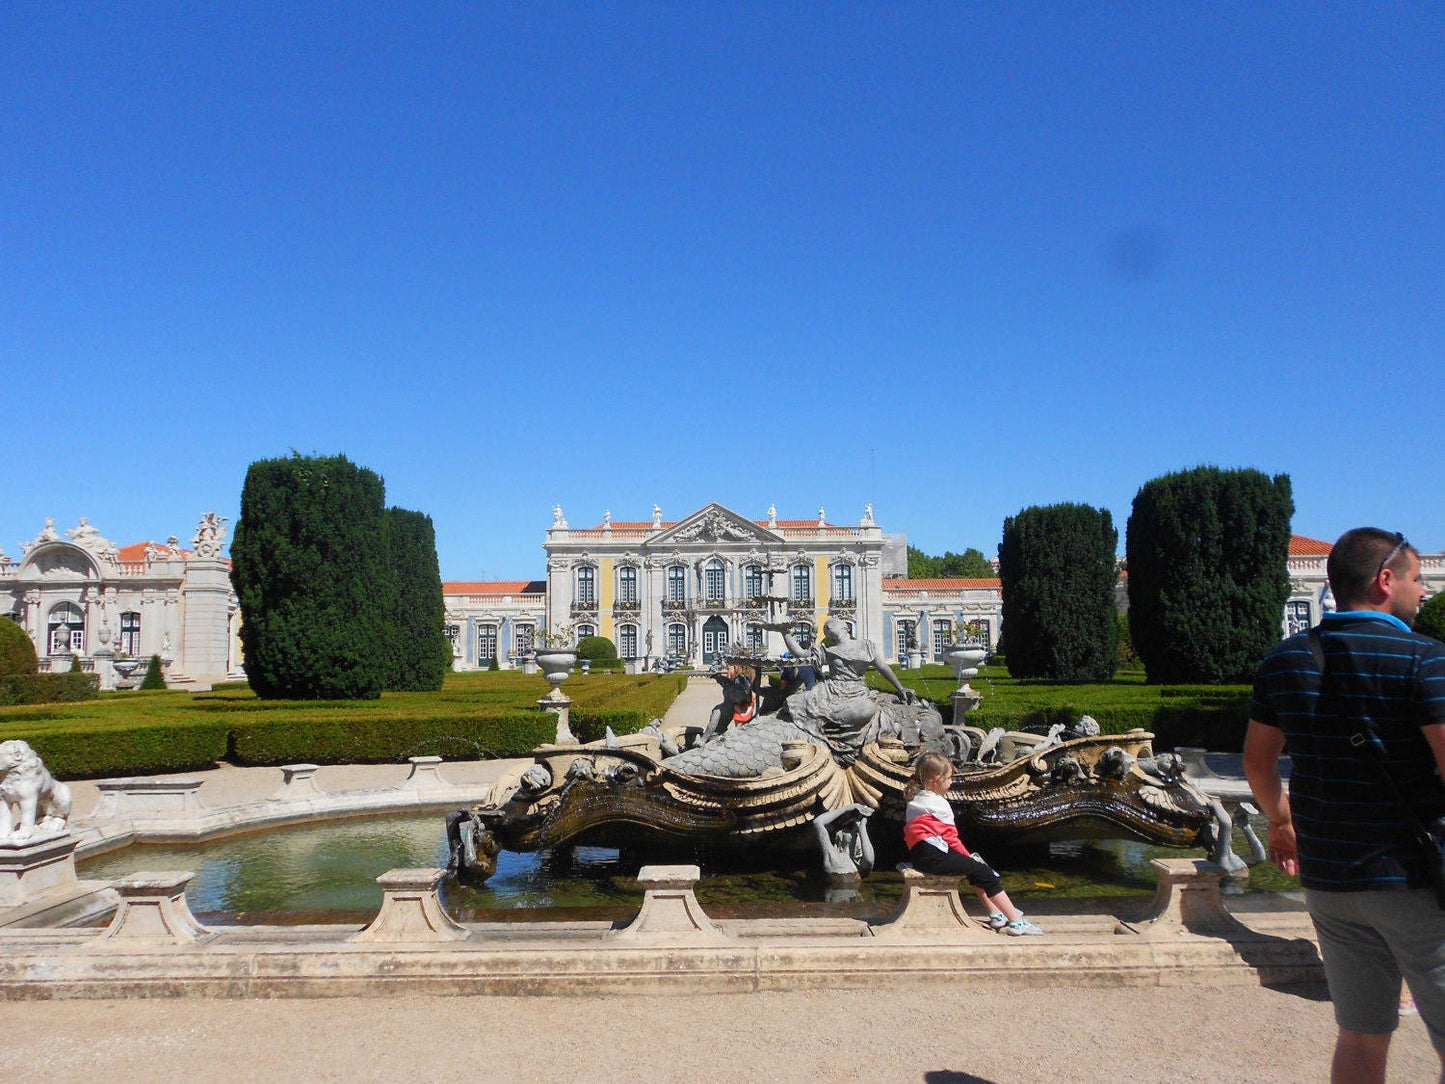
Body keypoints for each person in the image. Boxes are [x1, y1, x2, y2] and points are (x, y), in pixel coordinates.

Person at [1245, 527, 1445, 1082]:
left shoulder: (1287, 660)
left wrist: (1281, 822)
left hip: (1332, 881)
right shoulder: (1426, 659)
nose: (1423, 591)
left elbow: (1259, 764)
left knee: (1360, 1034)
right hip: (1417, 879)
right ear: (1386, 581)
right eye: (1417, 578)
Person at [904, 750, 1042, 936]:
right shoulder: (939, 804)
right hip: (934, 858)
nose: (951, 783)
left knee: (974, 865)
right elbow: (952, 839)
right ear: (937, 779)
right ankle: (1016, 922)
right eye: (949, 778)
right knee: (982, 870)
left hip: (923, 855)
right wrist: (969, 858)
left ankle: (995, 913)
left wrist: (970, 860)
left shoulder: (916, 799)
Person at [766, 618, 938, 762]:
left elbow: (883, 667)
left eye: (832, 623)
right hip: (831, 691)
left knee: (867, 710)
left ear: (845, 627)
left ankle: (835, 732)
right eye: (825, 627)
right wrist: (785, 633)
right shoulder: (828, 650)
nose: (827, 626)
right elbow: (801, 654)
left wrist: (900, 688)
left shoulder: (866, 646)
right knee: (798, 702)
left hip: (856, 692)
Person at [701, 663, 757, 744]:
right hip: (749, 700)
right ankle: (745, 742)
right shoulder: (752, 670)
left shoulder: (733, 669)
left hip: (736, 701)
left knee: (738, 724)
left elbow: (728, 687)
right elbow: (753, 686)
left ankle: (737, 742)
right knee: (746, 724)